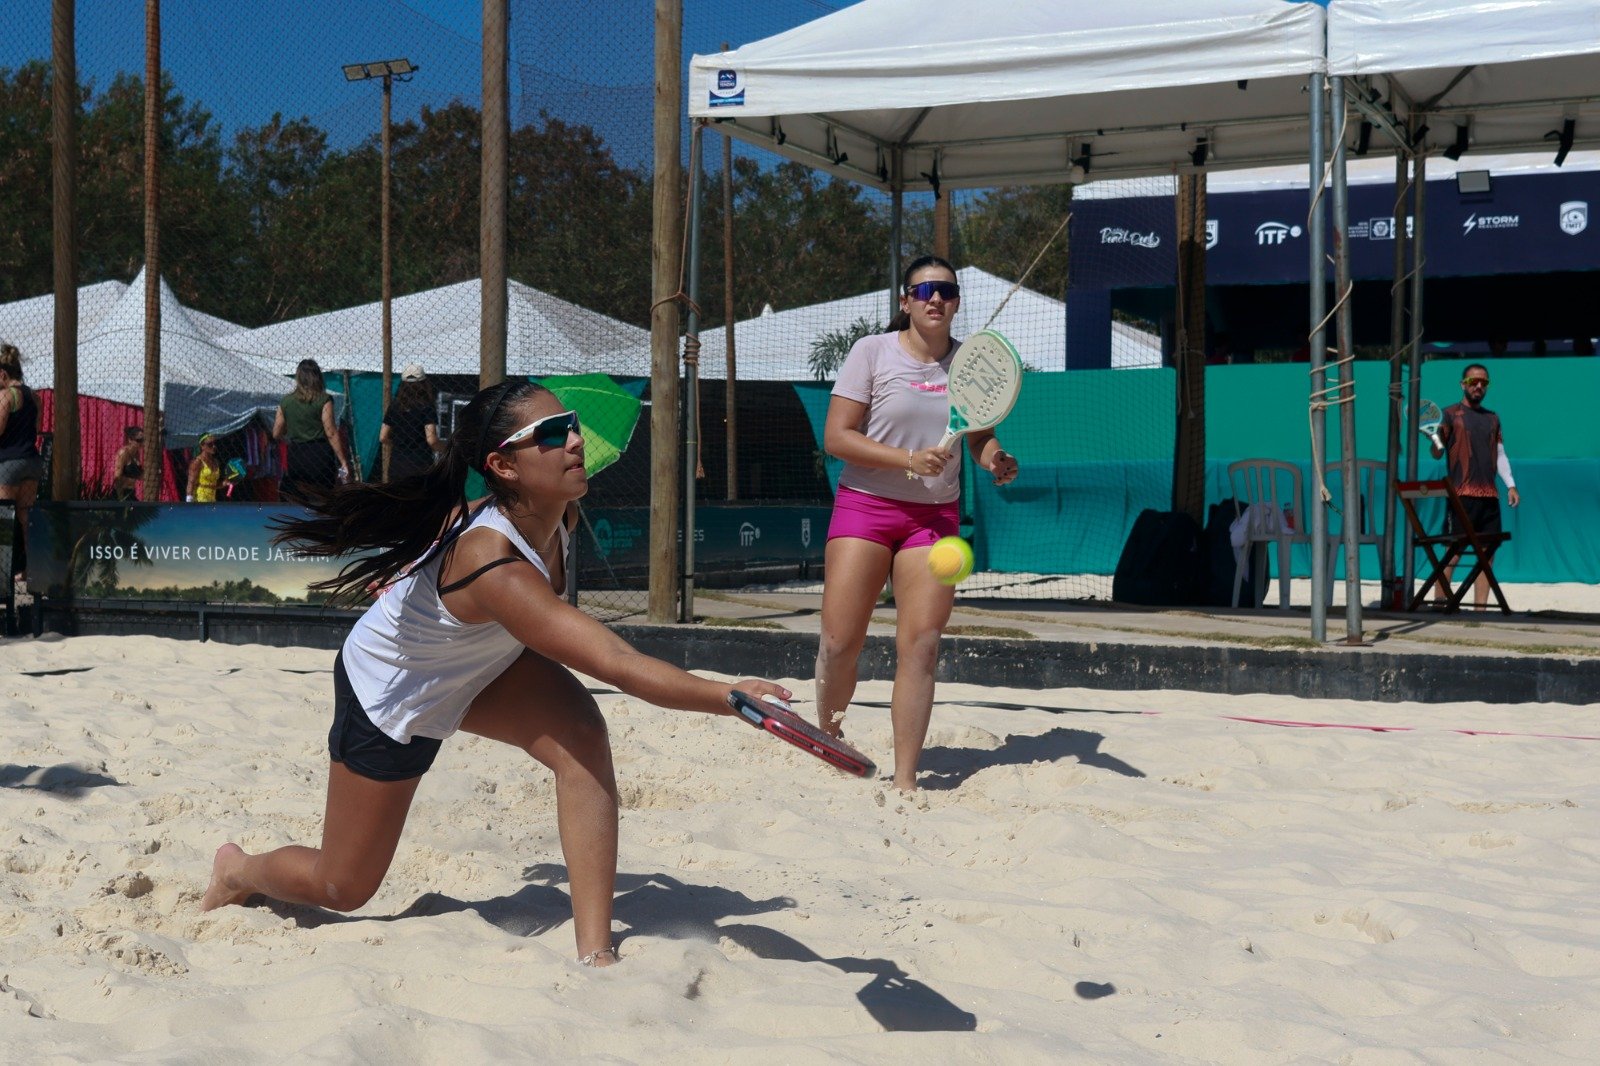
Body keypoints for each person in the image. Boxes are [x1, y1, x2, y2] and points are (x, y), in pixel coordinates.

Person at [200, 380, 790, 967]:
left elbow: (466, 519)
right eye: (552, 434)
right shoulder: (497, 567)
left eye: (574, 425)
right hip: (395, 688)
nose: (575, 441)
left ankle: (595, 950)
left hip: (479, 660)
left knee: (582, 738)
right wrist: (728, 695)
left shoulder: (558, 512)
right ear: (503, 465)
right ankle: (237, 870)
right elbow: (619, 664)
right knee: (343, 887)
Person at [813, 255, 1018, 792]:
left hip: (933, 516)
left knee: (922, 643)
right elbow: (836, 437)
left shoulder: (970, 366)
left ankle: (906, 780)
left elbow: (976, 436)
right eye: (924, 289)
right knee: (839, 643)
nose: (935, 299)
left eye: (946, 291)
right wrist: (905, 459)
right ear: (905, 300)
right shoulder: (872, 352)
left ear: (956, 302)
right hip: (866, 504)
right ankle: (829, 736)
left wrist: (995, 457)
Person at [1430, 363, 1520, 608]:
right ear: (1463, 384)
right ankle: (1439, 605)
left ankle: (1480, 612)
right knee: (1453, 552)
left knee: (1487, 556)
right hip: (1461, 496)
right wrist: (1434, 438)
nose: (1478, 386)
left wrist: (1510, 485)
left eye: (1484, 382)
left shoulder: (1493, 419)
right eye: (1473, 382)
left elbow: (1500, 454)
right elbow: (1437, 453)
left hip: (1489, 496)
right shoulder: (1449, 414)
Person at [274, 359, 351, 500]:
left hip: (296, 454)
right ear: (317, 377)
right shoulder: (324, 399)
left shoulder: (286, 401)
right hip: (320, 454)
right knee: (324, 497)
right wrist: (343, 461)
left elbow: (276, 432)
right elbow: (331, 432)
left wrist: (290, 429)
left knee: (300, 497)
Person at [0, 341, 44, 586]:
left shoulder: (5, 395)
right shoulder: (35, 397)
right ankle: (32, 570)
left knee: (3, 518)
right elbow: (36, 429)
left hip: (8, 464)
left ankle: (2, 576)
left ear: (3, 374)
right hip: (31, 462)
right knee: (26, 519)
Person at [380, 364, 444, 481]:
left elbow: (383, 437)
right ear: (424, 383)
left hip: (397, 465)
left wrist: (398, 444)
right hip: (420, 465)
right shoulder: (426, 407)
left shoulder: (394, 406)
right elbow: (431, 439)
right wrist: (446, 448)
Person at [186, 433, 222, 503]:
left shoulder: (216, 462)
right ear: (202, 446)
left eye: (214, 443)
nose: (214, 446)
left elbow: (213, 485)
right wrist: (189, 501)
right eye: (210, 444)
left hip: (212, 500)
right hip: (199, 500)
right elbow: (190, 483)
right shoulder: (197, 462)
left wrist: (225, 482)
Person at [112, 425, 145, 500]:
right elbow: (117, 476)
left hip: (131, 491)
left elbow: (138, 476)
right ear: (130, 440)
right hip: (121, 492)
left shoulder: (136, 453)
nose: (142, 443)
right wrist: (120, 498)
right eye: (139, 440)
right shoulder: (123, 453)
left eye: (143, 440)